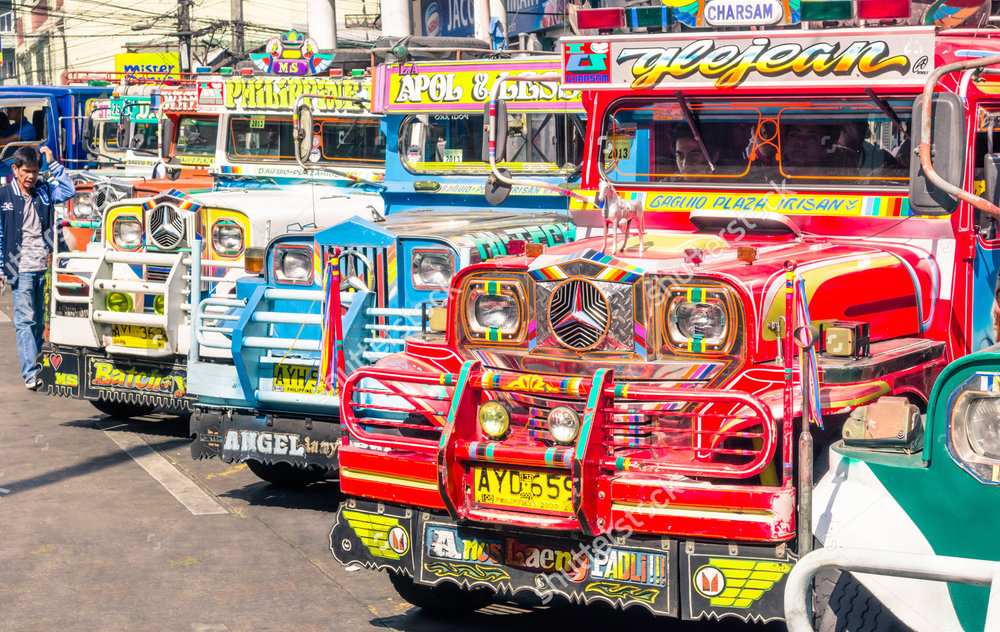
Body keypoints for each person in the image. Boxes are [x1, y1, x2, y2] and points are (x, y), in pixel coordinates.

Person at [0, 146, 75, 389]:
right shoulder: (4, 196)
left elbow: (68, 190)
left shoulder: (44, 191)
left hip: (42, 266)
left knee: (38, 323)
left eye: (35, 171)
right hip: (19, 268)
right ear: (15, 170)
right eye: (26, 171)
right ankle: (31, 373)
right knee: (25, 321)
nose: (31, 176)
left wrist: (52, 163)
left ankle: (36, 366)